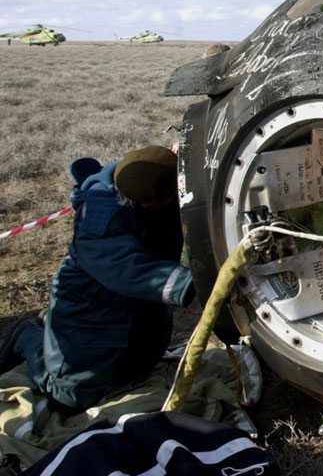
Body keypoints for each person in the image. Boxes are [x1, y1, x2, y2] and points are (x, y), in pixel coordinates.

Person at [0, 146, 195, 414]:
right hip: (91, 309)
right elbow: (131, 270)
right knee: (69, 399)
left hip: (136, 312)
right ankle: (28, 336)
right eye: (154, 205)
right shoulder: (100, 221)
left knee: (137, 367)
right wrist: (196, 282)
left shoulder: (148, 176)